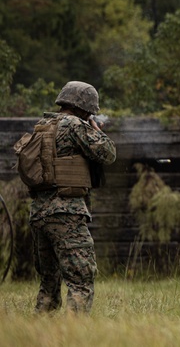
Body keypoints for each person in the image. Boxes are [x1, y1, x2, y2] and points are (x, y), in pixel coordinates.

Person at [29, 81, 117, 313]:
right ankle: (75, 336)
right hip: (66, 213)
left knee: (49, 283)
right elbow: (107, 153)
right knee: (81, 280)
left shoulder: (43, 125)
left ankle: (40, 335)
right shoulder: (75, 125)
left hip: (39, 214)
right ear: (83, 107)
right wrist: (97, 130)